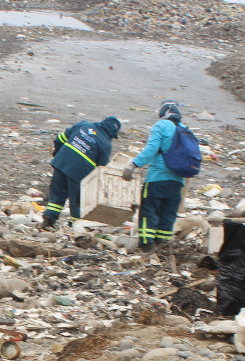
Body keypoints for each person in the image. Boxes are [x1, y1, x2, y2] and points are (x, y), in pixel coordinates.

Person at [122, 100, 186, 250]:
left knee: (149, 209)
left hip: (158, 178)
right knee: (168, 213)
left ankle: (147, 244)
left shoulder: (161, 125)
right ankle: (162, 245)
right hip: (177, 181)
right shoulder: (184, 129)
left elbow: (151, 149)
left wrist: (134, 164)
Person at [41, 116, 122, 230]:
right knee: (77, 202)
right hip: (79, 173)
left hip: (61, 162)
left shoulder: (83, 125)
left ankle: (49, 218)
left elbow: (60, 138)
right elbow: (102, 169)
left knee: (58, 194)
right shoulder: (106, 144)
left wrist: (58, 152)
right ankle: (75, 226)